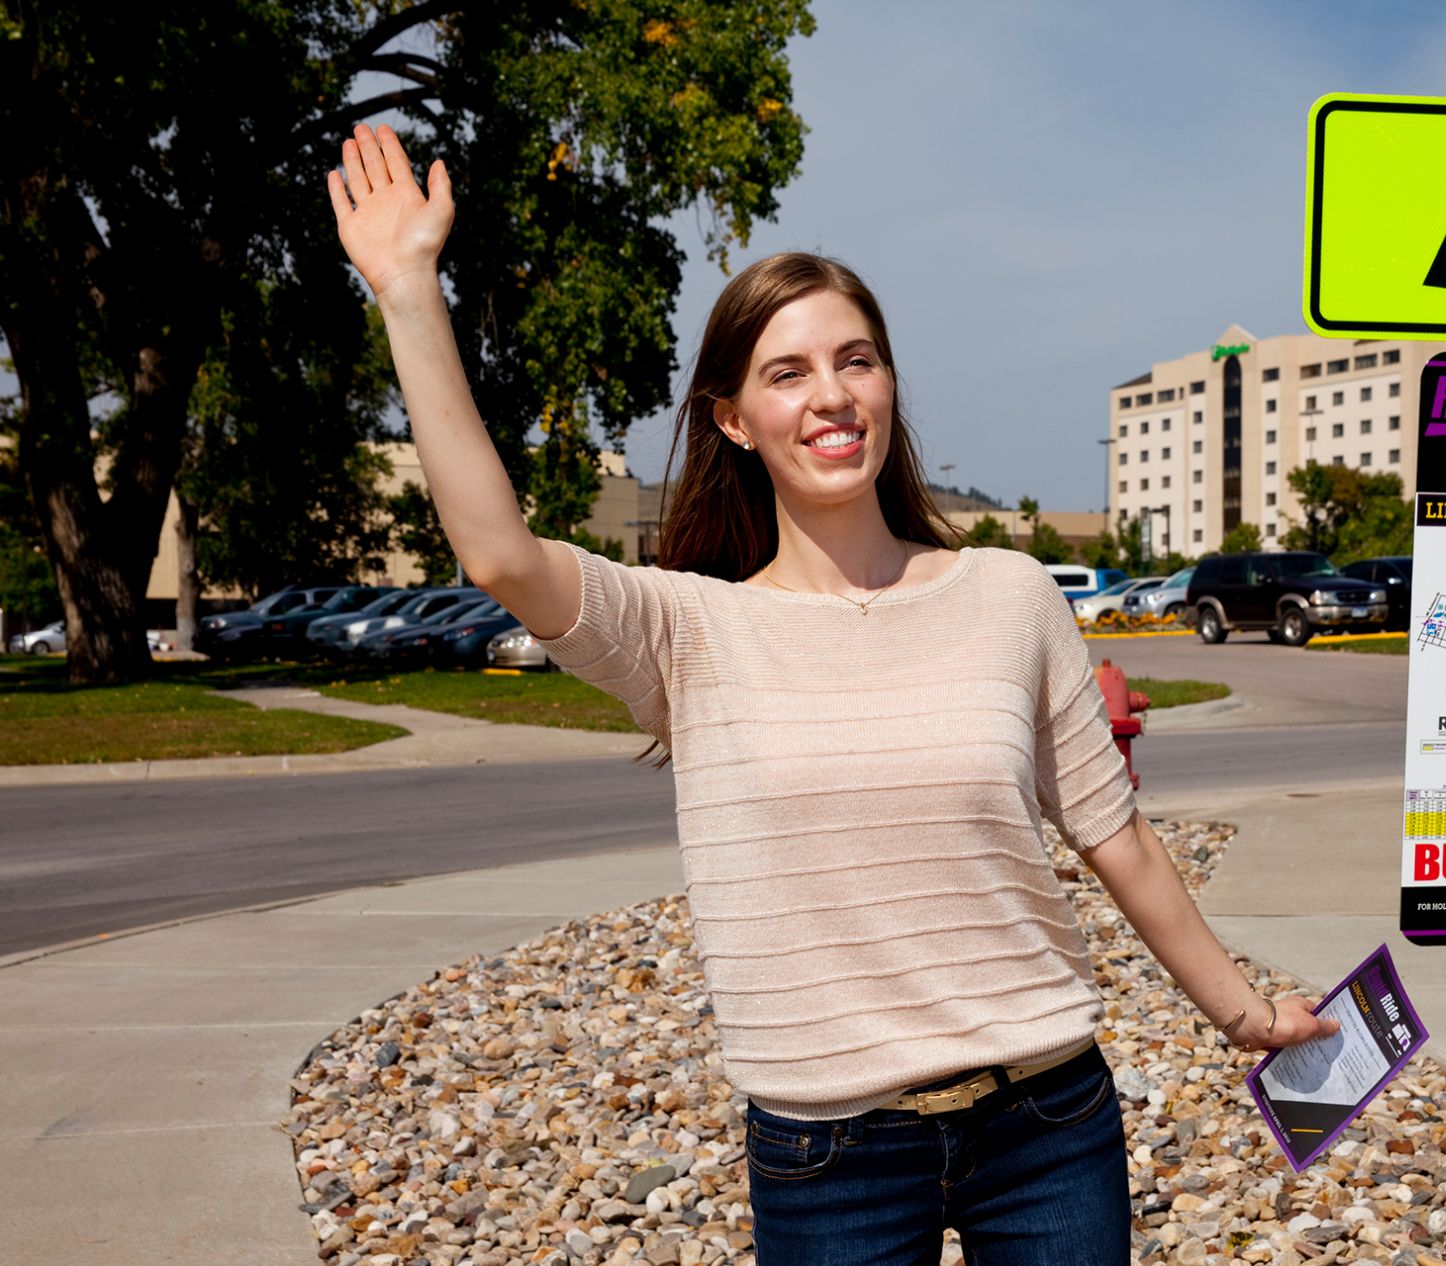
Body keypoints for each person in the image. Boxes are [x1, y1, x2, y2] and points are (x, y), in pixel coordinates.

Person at [328, 122, 1340, 1266]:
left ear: (890, 383)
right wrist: (409, 288)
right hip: (828, 1155)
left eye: (856, 359)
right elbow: (500, 555)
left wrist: (1248, 1018)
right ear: (733, 418)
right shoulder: (688, 627)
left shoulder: (1008, 595)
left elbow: (1121, 843)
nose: (831, 396)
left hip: (1048, 1124)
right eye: (788, 372)